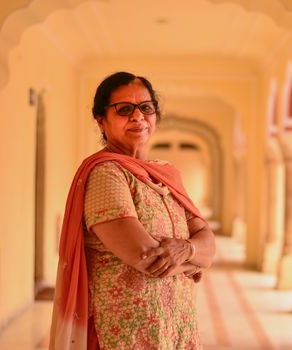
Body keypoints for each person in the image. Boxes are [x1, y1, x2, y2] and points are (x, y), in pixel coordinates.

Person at [49, 71, 216, 350]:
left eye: (145, 108)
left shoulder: (166, 175)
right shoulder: (106, 174)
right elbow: (147, 258)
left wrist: (187, 251)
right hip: (127, 333)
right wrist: (195, 260)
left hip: (176, 329)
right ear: (101, 121)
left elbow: (208, 242)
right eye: (124, 109)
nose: (137, 117)